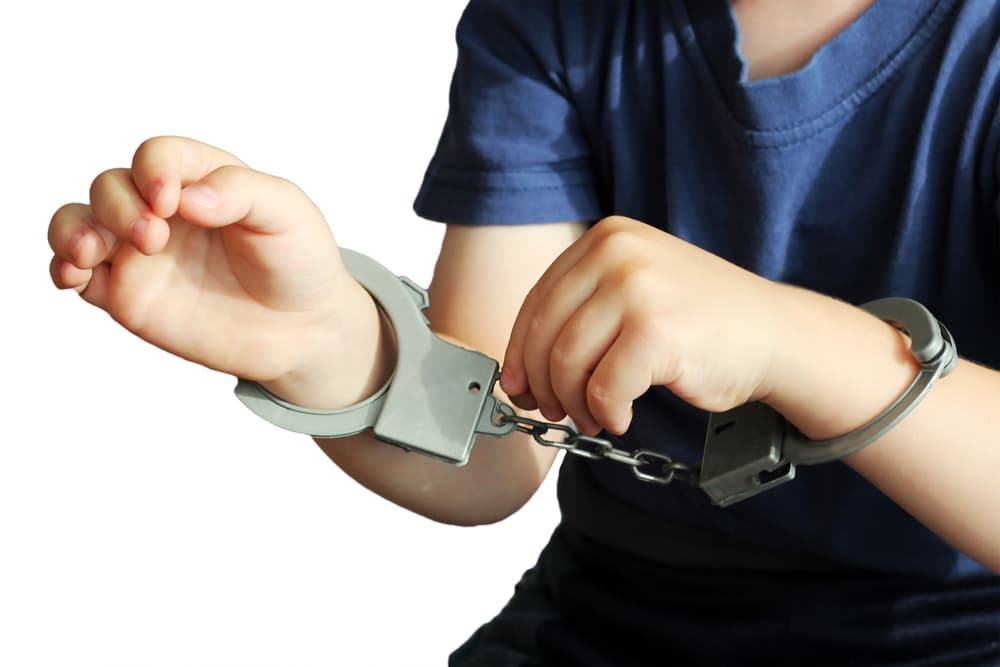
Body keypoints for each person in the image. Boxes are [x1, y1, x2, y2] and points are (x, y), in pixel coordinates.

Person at [47, 0, 1000, 664]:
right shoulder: (560, 18)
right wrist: (326, 346)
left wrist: (791, 344)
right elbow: (491, 439)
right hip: (615, 617)